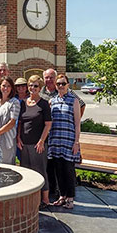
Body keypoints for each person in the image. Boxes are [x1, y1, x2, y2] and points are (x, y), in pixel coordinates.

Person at [40, 68, 85, 196]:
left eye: (51, 77)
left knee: (68, 169)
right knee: (53, 167)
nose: (49, 80)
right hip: (53, 138)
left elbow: (81, 107)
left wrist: (71, 125)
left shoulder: (71, 96)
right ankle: (56, 193)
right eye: (46, 77)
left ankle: (68, 196)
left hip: (67, 138)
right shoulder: (45, 94)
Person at [17, 75, 52, 209]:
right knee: (27, 171)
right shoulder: (23, 103)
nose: (33, 88)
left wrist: (42, 141)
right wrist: (18, 138)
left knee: (40, 171)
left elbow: (48, 124)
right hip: (24, 144)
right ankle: (31, 199)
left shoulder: (44, 104)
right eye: (31, 85)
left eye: (36, 86)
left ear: (40, 87)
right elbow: (20, 122)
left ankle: (45, 200)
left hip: (38, 144)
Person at [48, 74, 81, 209]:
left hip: (68, 141)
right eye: (58, 84)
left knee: (68, 170)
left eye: (63, 83)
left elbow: (77, 123)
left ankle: (70, 198)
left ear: (68, 85)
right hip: (55, 140)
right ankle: (62, 196)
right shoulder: (52, 101)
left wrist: (77, 142)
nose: (61, 86)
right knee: (58, 171)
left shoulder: (74, 101)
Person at [0, 76, 20, 165]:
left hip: (6, 140)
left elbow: (12, 122)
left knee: (6, 166)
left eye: (8, 86)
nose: (6, 88)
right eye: (3, 85)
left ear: (12, 88)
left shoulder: (14, 102)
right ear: (0, 87)